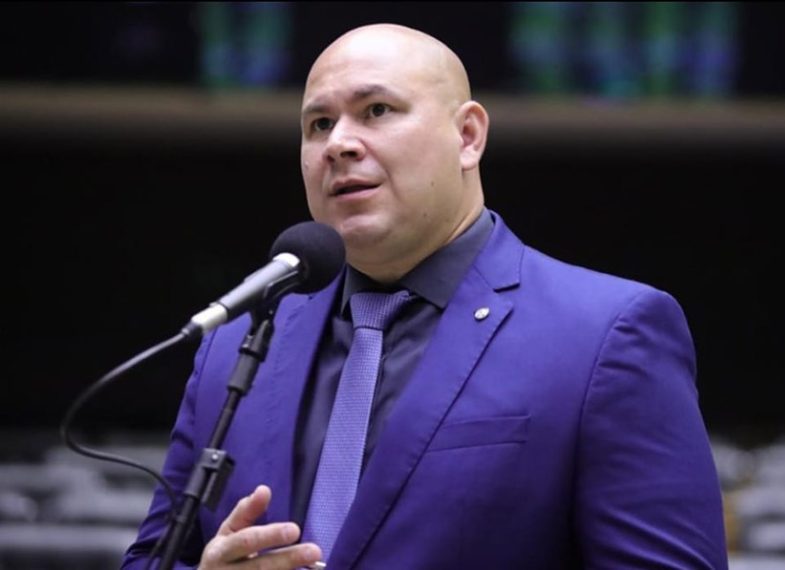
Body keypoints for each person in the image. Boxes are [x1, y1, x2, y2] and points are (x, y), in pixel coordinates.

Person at [123, 23, 727, 569]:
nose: (339, 144)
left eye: (377, 110)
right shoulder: (236, 346)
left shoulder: (603, 334)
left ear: (467, 136)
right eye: (319, 124)